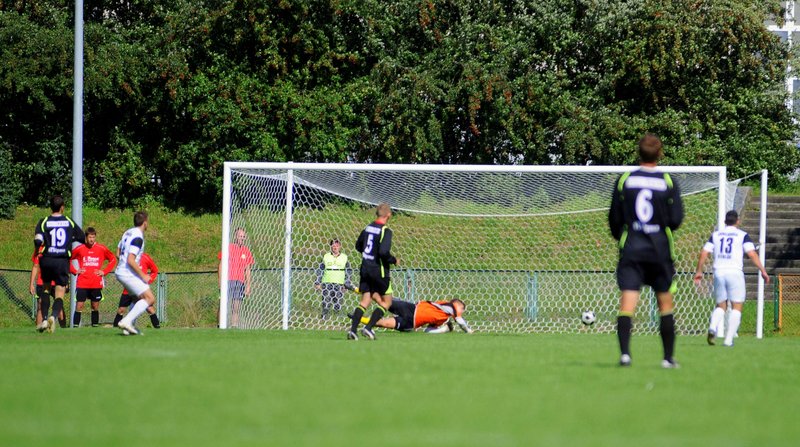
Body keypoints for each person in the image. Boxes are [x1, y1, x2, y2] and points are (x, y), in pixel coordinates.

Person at [608, 134, 684, 368]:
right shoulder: (667, 180)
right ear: (659, 154)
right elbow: (676, 218)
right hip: (659, 250)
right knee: (665, 305)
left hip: (632, 249)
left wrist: (623, 235)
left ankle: (625, 355)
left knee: (627, 304)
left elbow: (614, 217)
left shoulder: (625, 179)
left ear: (638, 153)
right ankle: (668, 358)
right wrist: (659, 229)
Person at [693, 210, 770, 347]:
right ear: (738, 221)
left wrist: (699, 271)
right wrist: (763, 270)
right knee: (737, 306)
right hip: (734, 272)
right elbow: (751, 254)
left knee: (721, 305)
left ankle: (712, 327)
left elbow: (704, 252)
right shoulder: (742, 235)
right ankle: (728, 340)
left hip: (719, 272)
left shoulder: (716, 235)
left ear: (724, 222)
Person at [33, 194, 85, 333]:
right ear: (62, 207)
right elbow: (81, 237)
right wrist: (70, 238)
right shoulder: (68, 221)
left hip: (47, 259)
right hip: (62, 260)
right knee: (59, 293)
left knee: (45, 288)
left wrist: (39, 250)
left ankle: (44, 319)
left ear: (51, 207)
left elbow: (38, 240)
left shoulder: (43, 221)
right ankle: (53, 317)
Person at [347, 202, 399, 340]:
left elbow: (358, 245)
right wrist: (393, 260)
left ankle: (353, 331)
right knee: (386, 302)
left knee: (365, 301)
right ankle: (368, 328)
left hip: (365, 269)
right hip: (379, 271)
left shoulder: (368, 227)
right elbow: (383, 252)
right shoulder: (385, 231)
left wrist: (369, 256)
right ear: (389, 215)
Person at [115, 211, 155, 335]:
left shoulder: (128, 232)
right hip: (128, 273)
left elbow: (118, 252)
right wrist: (143, 275)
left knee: (136, 299)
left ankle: (129, 328)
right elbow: (130, 259)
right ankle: (126, 321)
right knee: (150, 298)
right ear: (145, 223)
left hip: (121, 271)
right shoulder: (138, 236)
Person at [69, 227, 117, 327]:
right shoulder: (80, 249)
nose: (92, 239)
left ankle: (94, 327)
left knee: (95, 306)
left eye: (93, 237)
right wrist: (75, 271)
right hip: (82, 282)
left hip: (95, 283)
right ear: (86, 237)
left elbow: (113, 259)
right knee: (79, 305)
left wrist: (104, 271)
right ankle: (75, 328)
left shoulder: (101, 248)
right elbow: (67, 259)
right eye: (90, 237)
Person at [355, 298, 474, 334]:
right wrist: (468, 330)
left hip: (411, 323)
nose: (461, 312)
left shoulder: (443, 317)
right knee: (383, 301)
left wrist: (444, 329)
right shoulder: (449, 306)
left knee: (384, 323)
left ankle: (357, 319)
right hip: (411, 309)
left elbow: (428, 331)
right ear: (456, 305)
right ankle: (359, 290)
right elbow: (459, 320)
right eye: (462, 309)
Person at [218, 227, 254, 328]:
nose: (242, 238)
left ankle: (234, 326)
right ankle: (219, 325)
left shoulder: (246, 251)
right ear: (235, 236)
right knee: (222, 305)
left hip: (240, 282)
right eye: (240, 236)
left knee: (236, 307)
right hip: (227, 281)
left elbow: (247, 270)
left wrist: (248, 286)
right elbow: (220, 265)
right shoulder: (228, 248)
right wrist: (220, 281)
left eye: (243, 237)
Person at [113, 252, 160, 329]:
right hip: (128, 289)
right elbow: (118, 257)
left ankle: (158, 328)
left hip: (140, 289)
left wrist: (149, 279)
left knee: (150, 309)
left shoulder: (145, 257)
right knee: (121, 310)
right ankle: (114, 328)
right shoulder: (127, 258)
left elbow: (154, 270)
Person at [314, 238, 353, 319]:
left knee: (338, 302)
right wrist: (317, 282)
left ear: (340, 247)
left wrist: (347, 284)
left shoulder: (344, 257)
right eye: (333, 245)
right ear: (330, 246)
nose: (335, 247)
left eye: (337, 245)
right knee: (326, 301)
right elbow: (320, 270)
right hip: (327, 282)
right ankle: (324, 318)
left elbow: (348, 272)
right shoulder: (326, 256)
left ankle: (336, 319)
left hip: (339, 283)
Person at [30, 252, 65, 330]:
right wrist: (31, 284)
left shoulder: (58, 248)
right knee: (40, 305)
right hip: (42, 282)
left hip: (56, 282)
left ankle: (63, 328)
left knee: (59, 306)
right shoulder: (39, 250)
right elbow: (35, 266)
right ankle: (39, 329)